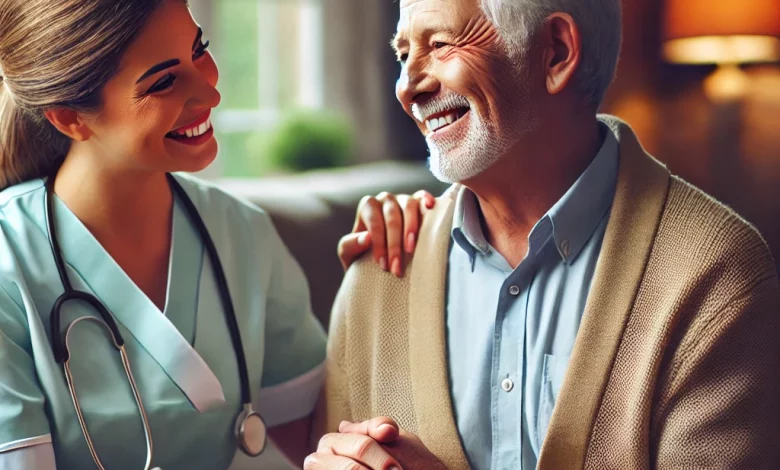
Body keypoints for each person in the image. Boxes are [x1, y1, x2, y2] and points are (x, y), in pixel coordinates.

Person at [310, 0, 780, 468]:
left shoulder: (719, 280)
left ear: (555, 52)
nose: (407, 87)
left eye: (439, 44)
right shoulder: (378, 273)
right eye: (403, 54)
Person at [0, 0, 422, 468]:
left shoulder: (243, 232)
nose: (210, 93)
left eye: (199, 50)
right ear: (68, 118)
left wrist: (393, 267)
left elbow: (321, 437)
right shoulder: (9, 260)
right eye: (163, 81)